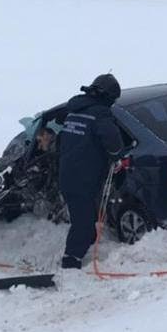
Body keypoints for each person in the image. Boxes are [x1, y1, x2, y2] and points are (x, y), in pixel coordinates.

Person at [54, 74, 125, 269]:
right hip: (83, 178)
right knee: (83, 222)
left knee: (84, 214)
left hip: (68, 174)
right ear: (108, 96)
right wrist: (117, 156)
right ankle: (71, 259)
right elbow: (112, 141)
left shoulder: (74, 112)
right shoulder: (100, 114)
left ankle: (89, 239)